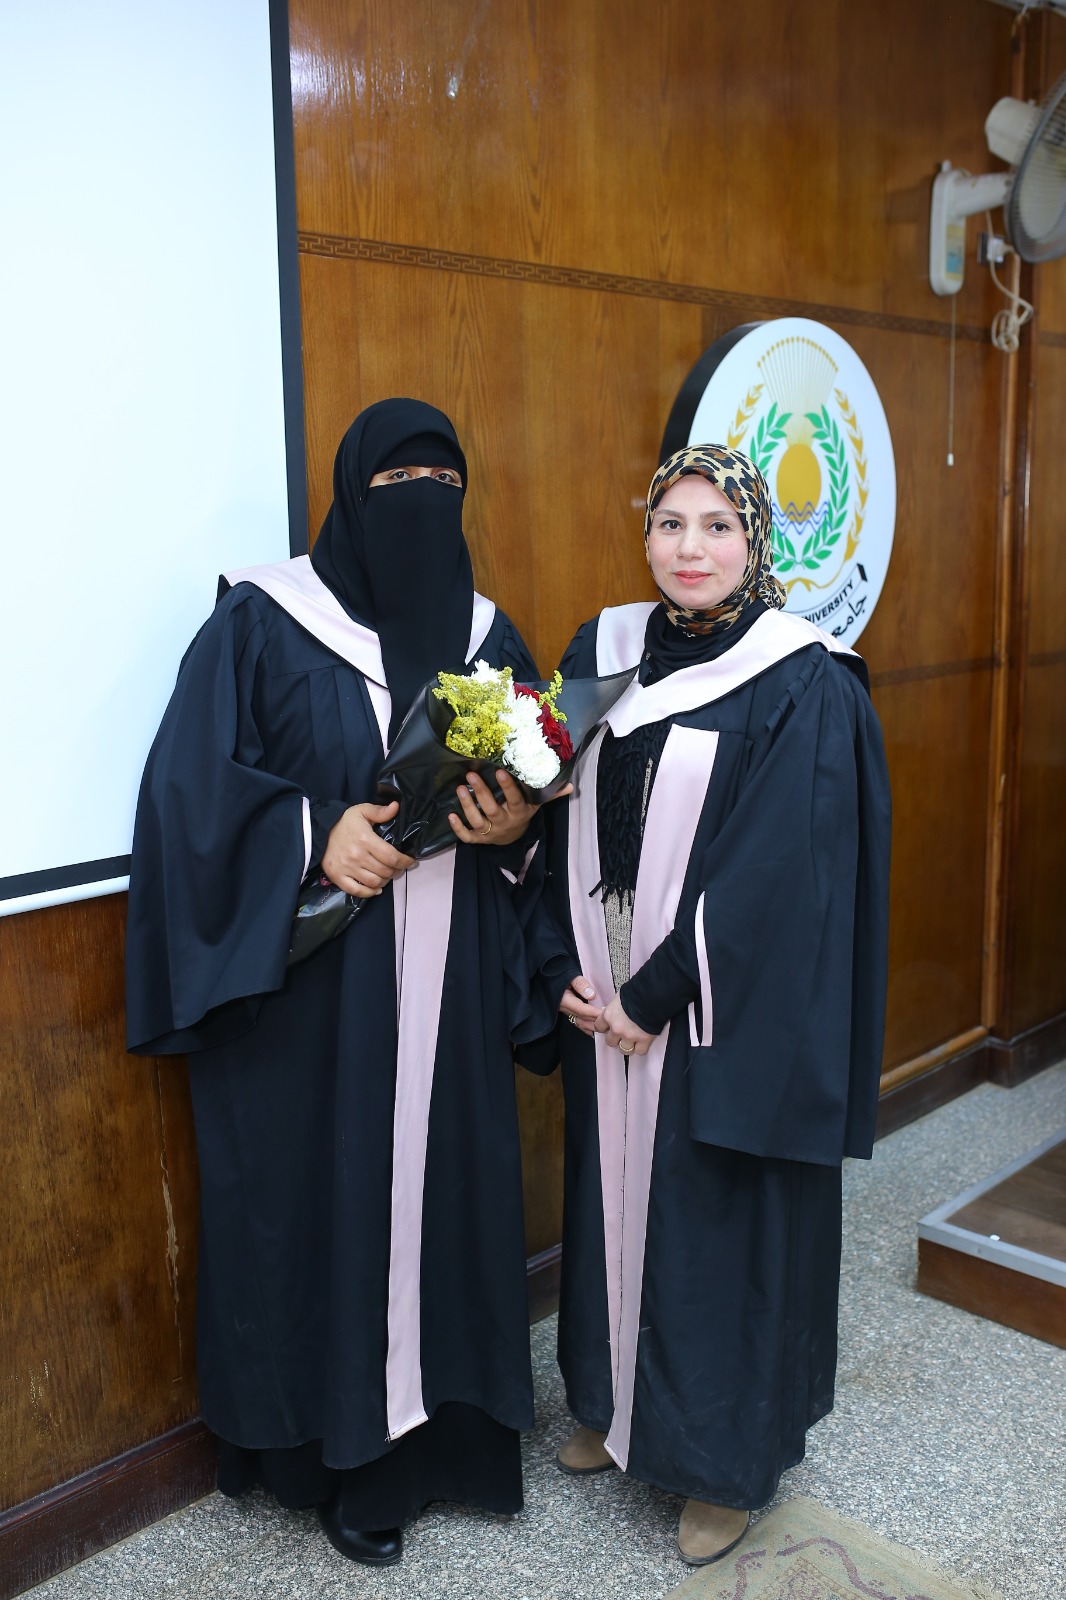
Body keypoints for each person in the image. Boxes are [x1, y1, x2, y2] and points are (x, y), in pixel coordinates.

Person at [126, 398, 555, 1567]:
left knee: (440, 1196)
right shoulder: (263, 621)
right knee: (323, 1203)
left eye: (440, 481)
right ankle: (335, 1459)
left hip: (451, 991)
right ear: (349, 494)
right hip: (314, 1004)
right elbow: (186, 795)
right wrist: (315, 832)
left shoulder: (490, 637)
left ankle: (447, 1441)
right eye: (394, 482)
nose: (420, 502)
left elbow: (536, 804)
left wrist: (514, 823)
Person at [539, 444, 890, 1565]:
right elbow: (549, 805)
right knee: (610, 1199)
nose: (689, 548)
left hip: (712, 1006)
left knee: (715, 1217)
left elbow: (780, 872)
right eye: (670, 524)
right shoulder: (602, 653)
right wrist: (558, 961)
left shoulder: (801, 679)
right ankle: (611, 1403)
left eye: (717, 526)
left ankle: (722, 1460)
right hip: (603, 995)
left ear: (755, 540)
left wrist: (653, 992)